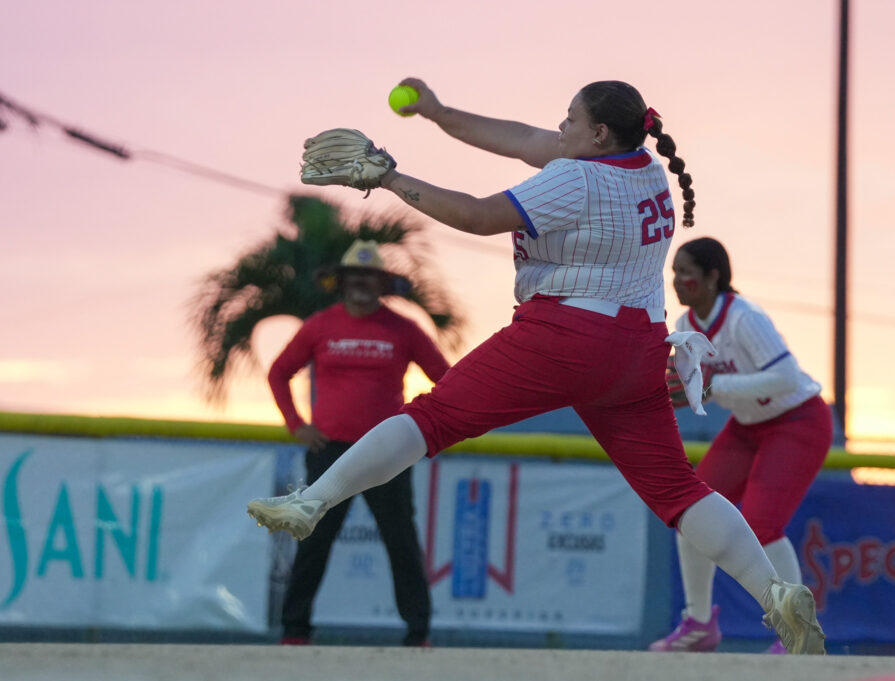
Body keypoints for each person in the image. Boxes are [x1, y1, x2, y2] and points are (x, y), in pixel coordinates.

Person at [248, 78, 826, 654]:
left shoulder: (575, 176)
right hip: (638, 347)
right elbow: (523, 137)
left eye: (570, 118)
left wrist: (389, 177)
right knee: (678, 490)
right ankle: (776, 594)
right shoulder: (646, 167)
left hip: (568, 334)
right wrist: (440, 113)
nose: (560, 126)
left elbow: (475, 215)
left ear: (598, 132)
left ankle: (312, 501)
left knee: (433, 417)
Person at [648, 236, 833, 654]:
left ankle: (799, 632)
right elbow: (696, 387)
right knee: (688, 511)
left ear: (714, 277)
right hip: (749, 425)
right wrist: (679, 389)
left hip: (797, 420)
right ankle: (698, 625)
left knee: (763, 525)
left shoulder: (744, 317)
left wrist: (714, 384)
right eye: (674, 272)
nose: (677, 280)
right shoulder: (683, 327)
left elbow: (786, 378)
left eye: (687, 272)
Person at [267, 239, 450, 647]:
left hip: (387, 454)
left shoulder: (404, 329)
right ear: (341, 280)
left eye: (369, 275)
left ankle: (418, 634)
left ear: (382, 282)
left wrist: (418, 422)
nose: (360, 282)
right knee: (313, 539)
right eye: (354, 275)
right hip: (329, 451)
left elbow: (447, 379)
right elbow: (278, 373)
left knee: (401, 542)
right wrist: (297, 425)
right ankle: (295, 631)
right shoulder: (319, 326)